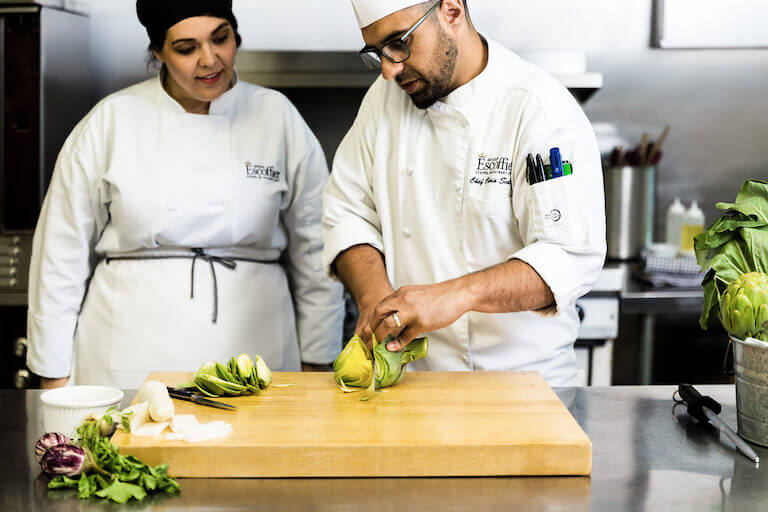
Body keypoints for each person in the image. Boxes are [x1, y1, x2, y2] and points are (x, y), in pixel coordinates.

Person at [27, 0, 344, 389]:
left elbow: (318, 253)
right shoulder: (110, 122)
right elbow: (60, 258)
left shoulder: (278, 118)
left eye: (220, 39)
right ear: (158, 52)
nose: (209, 60)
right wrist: (53, 379)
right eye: (186, 48)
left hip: (261, 359)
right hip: (127, 362)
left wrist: (319, 361)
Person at [323, 0, 606, 385]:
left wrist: (456, 294)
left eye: (398, 43)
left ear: (451, 11)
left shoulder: (537, 108)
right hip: (414, 385)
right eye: (377, 53)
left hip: (523, 389)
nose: (389, 70)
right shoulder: (383, 101)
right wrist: (373, 299)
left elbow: (568, 254)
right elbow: (347, 211)